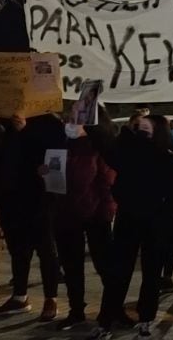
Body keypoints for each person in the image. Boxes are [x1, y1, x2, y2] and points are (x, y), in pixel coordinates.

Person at [91, 115, 173, 339]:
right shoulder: (129, 151)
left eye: (148, 128)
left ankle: (145, 319)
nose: (142, 131)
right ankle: (105, 321)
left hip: (156, 223)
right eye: (140, 128)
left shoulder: (169, 159)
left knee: (151, 274)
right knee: (119, 272)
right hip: (129, 219)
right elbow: (108, 147)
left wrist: (167, 206)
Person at [0, 113, 65, 320]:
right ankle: (19, 296)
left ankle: (51, 298)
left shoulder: (50, 123)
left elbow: (54, 157)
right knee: (18, 249)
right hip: (10, 195)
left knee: (46, 249)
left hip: (40, 196)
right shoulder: (5, 122)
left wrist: (25, 132)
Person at [49, 113, 117, 331]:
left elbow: (85, 179)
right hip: (67, 213)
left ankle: (114, 309)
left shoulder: (99, 147)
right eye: (69, 118)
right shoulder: (64, 143)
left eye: (76, 120)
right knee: (71, 266)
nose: (69, 123)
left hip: (95, 214)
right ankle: (76, 310)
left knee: (105, 264)